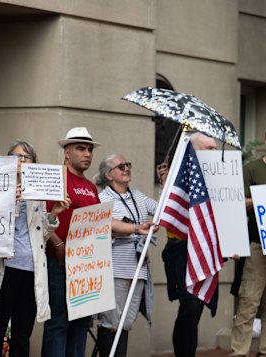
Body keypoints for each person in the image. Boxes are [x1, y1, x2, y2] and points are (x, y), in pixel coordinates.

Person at [0, 140, 70, 357]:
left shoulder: (37, 193)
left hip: (31, 270)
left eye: (26, 157)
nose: (21, 161)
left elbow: (41, 235)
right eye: (17, 157)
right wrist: (10, 201)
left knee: (22, 333)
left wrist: (54, 212)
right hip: (5, 268)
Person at [41, 127, 101, 357]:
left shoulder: (91, 187)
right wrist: (57, 244)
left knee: (81, 323)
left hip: (84, 265)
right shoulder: (56, 179)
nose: (87, 154)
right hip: (59, 263)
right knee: (59, 322)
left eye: (89, 150)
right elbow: (42, 218)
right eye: (80, 148)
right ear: (67, 152)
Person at [159, 132, 219, 357]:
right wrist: (166, 183)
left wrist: (231, 242)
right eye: (208, 149)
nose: (214, 153)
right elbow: (169, 212)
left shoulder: (218, 178)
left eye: (215, 148)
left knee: (197, 307)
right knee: (190, 306)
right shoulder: (179, 175)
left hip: (206, 248)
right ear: (193, 151)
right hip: (181, 250)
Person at [94, 154, 157, 357]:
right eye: (120, 166)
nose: (126, 168)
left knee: (126, 322)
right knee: (112, 321)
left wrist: (165, 185)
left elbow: (161, 209)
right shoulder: (103, 198)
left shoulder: (137, 195)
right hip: (115, 268)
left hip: (138, 268)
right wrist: (137, 228)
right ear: (108, 175)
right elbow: (107, 224)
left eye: (127, 164)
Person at [230, 132, 266, 357]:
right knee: (249, 301)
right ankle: (239, 352)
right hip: (257, 242)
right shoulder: (252, 168)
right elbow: (237, 201)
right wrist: (261, 197)